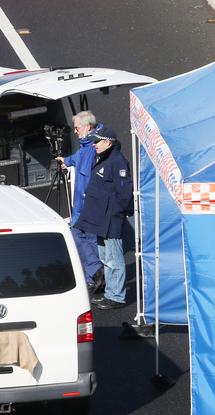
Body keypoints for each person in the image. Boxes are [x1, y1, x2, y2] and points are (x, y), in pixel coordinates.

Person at [75, 126, 133, 310]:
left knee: (113, 258)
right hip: (100, 218)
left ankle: (116, 296)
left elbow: (125, 192)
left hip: (110, 219)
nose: (94, 145)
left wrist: (118, 212)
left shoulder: (117, 161)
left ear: (108, 142)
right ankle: (110, 293)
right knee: (105, 257)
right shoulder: (103, 157)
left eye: (97, 141)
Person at [56, 111, 104, 293]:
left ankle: (95, 272)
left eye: (77, 128)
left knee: (84, 238)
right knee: (84, 239)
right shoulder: (87, 145)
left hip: (87, 204)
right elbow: (78, 157)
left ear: (87, 127)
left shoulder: (94, 147)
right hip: (82, 205)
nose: (75, 132)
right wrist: (66, 160)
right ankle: (94, 275)